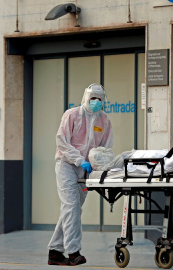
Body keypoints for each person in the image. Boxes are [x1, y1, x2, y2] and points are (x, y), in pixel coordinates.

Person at [48, 83, 113, 266]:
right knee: (72, 207)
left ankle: (54, 251)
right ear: (86, 97)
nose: (96, 102)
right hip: (67, 164)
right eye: (93, 98)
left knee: (72, 209)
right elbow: (61, 141)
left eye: (99, 99)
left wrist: (98, 163)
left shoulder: (104, 120)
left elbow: (106, 146)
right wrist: (78, 159)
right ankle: (73, 252)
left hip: (86, 169)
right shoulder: (72, 115)